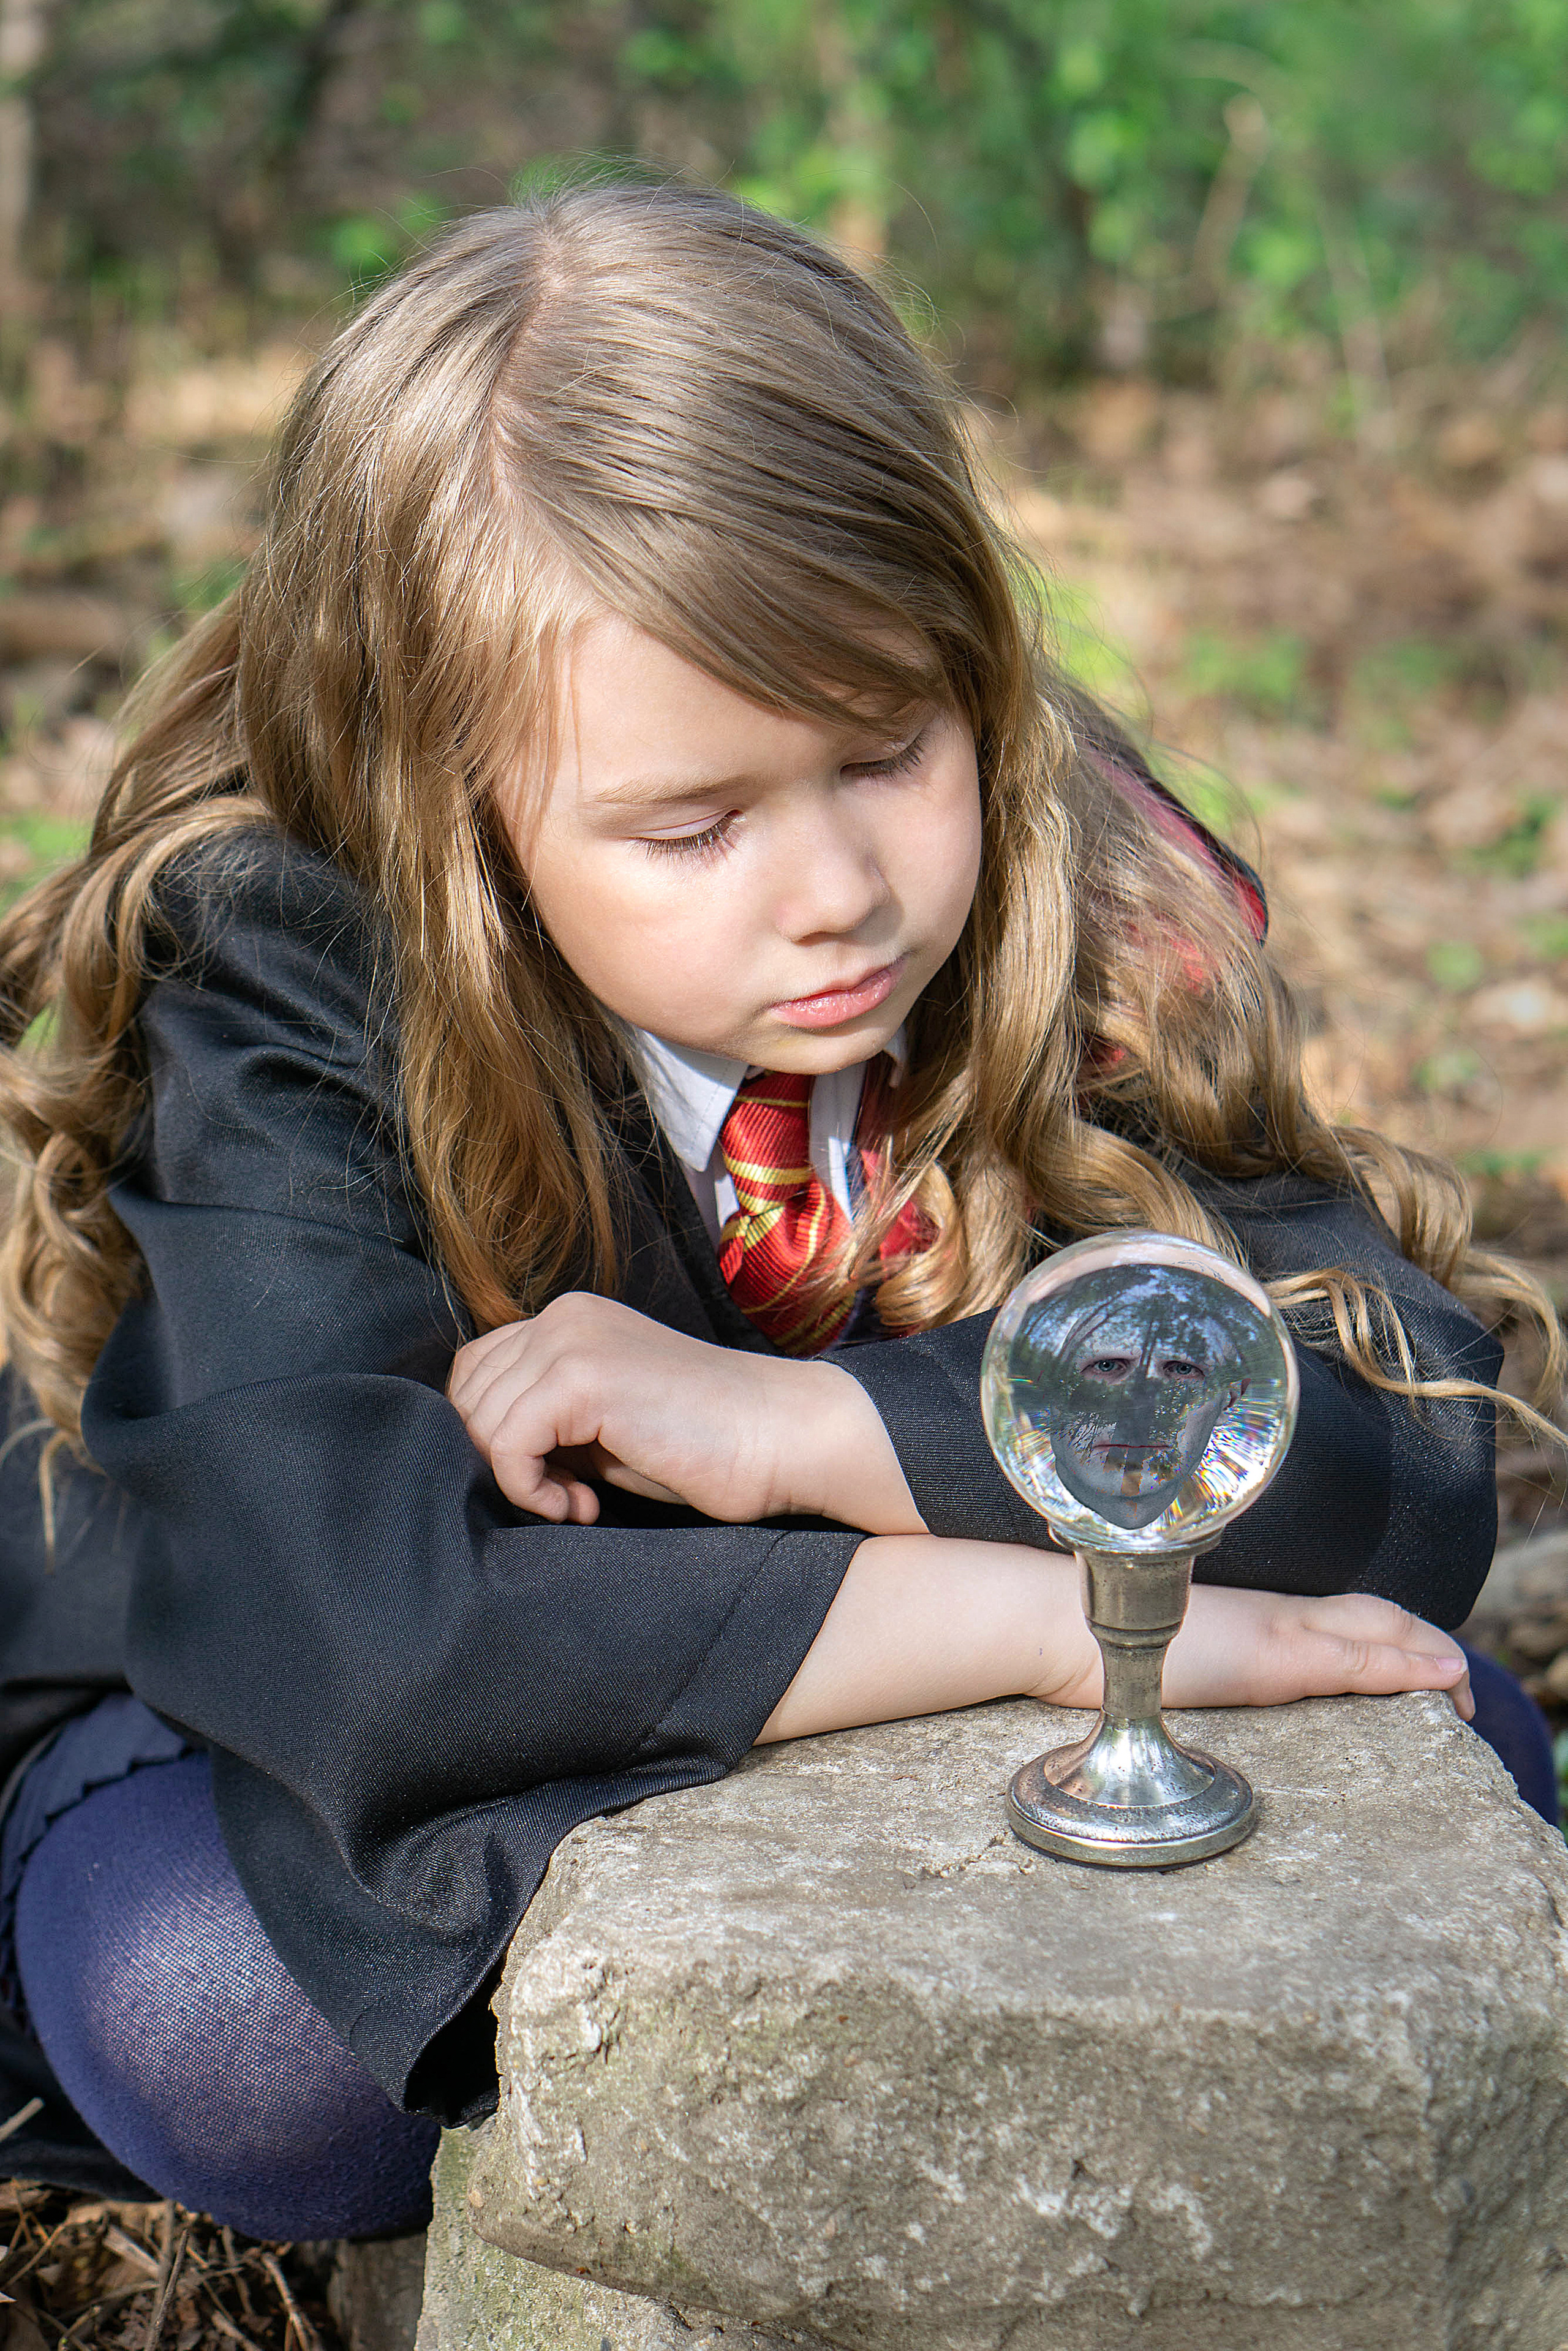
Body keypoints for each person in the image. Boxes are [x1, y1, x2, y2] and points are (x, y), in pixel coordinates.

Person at [0, 178, 1559, 2239]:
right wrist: (1028, 1620)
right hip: (269, 1719)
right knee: (249, 2034)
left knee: (1471, 1750)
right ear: (443, 798)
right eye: (691, 822)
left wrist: (814, 1432)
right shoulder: (293, 957)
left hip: (720, 1632)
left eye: (885, 749)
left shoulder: (1051, 882)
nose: (833, 891)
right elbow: (368, 1637)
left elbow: (1398, 1464)